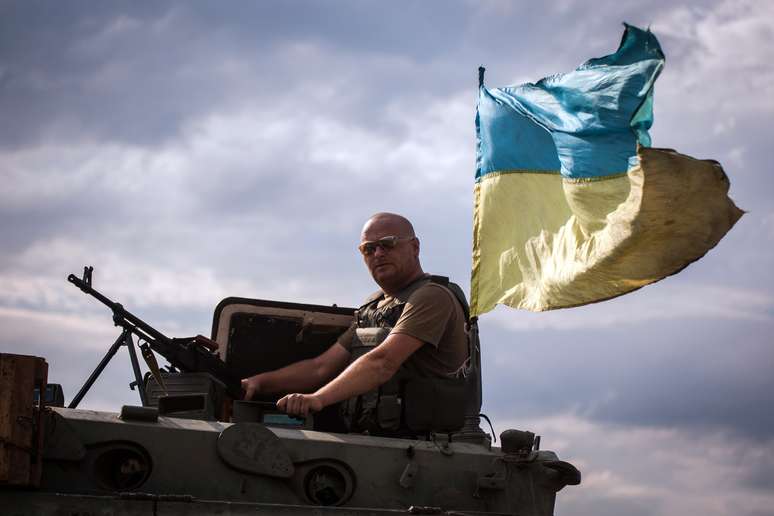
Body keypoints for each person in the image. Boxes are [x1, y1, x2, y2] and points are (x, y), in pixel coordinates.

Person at [240, 212, 471, 435]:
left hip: (424, 447)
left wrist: (317, 399)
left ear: (415, 247)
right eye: (369, 249)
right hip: (376, 439)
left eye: (388, 244)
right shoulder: (373, 308)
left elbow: (383, 362)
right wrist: (260, 383)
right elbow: (321, 367)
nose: (378, 253)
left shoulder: (432, 297)